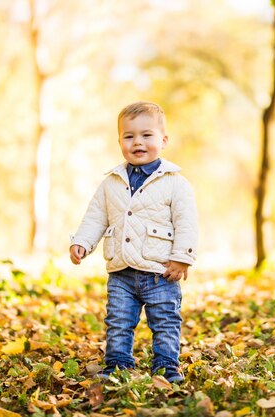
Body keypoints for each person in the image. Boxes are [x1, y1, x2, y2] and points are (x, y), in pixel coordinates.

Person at [69, 101, 198, 383]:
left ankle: (166, 366)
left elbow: (186, 222)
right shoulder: (112, 182)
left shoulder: (176, 183)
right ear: (120, 142)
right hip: (121, 271)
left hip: (160, 272)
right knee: (118, 322)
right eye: (129, 136)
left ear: (163, 140)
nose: (137, 142)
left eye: (146, 135)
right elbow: (95, 217)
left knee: (165, 322)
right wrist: (82, 242)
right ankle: (118, 363)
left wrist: (182, 257)